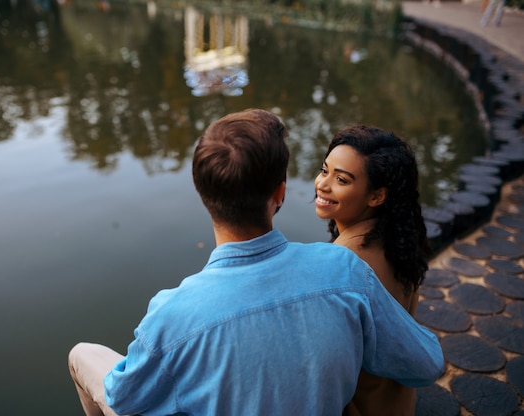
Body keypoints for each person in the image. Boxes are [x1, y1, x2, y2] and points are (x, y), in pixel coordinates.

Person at [68, 109, 444, 416]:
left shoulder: (172, 314)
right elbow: (427, 364)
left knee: (83, 355)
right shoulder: (343, 271)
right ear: (280, 194)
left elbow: (123, 398)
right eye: (325, 171)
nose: (325, 183)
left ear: (203, 194)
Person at [314, 125, 432, 415]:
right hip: (396, 402)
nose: (322, 184)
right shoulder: (397, 238)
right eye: (324, 170)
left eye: (341, 179)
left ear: (377, 196)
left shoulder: (341, 263)